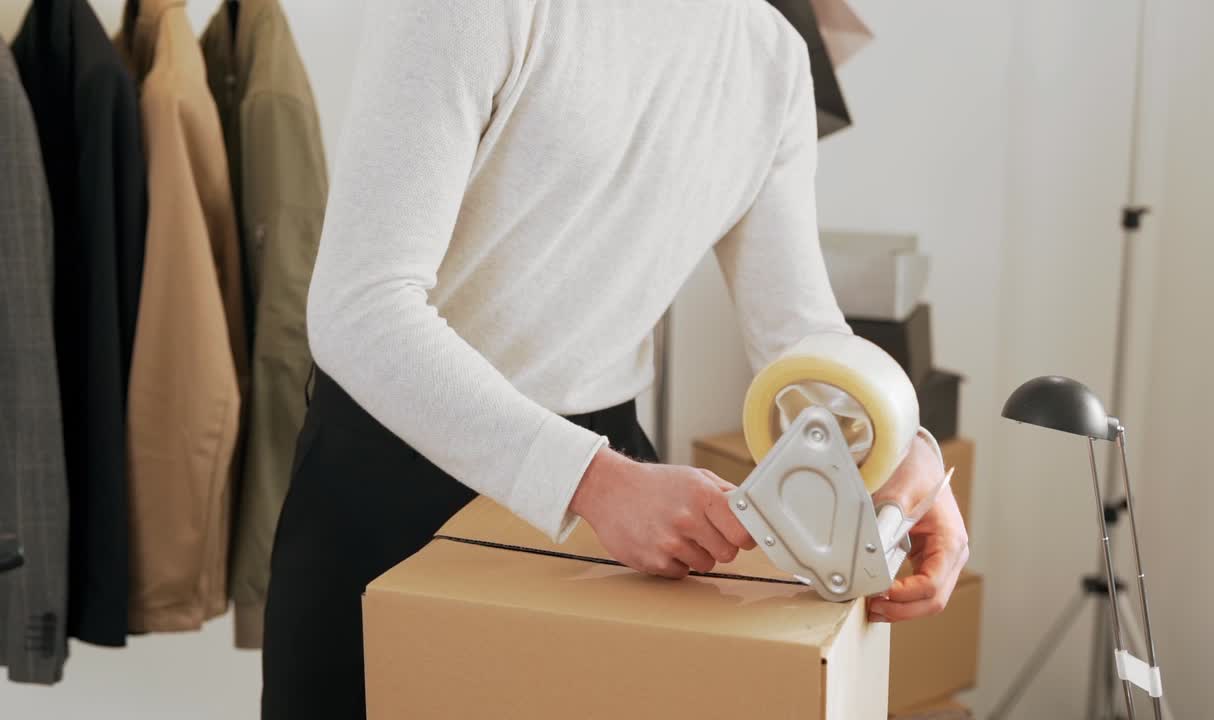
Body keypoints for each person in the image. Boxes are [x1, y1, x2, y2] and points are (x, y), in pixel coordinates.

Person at [260, 1, 969, 718]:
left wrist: (904, 446)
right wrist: (593, 483)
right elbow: (360, 308)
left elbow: (799, 339)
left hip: (611, 484)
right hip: (404, 469)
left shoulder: (774, 55)